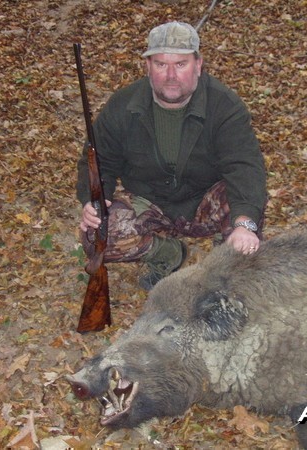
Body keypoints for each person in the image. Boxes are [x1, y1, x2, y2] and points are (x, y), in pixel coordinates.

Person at [77, 21, 267, 290]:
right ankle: (167, 254)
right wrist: (95, 199)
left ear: (198, 65)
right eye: (160, 64)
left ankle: (225, 257)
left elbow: (245, 167)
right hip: (150, 203)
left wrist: (244, 224)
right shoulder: (123, 105)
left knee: (246, 218)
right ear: (147, 67)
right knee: (95, 235)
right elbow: (98, 160)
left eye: (180, 64)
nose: (170, 75)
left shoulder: (224, 105)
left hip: (204, 202)